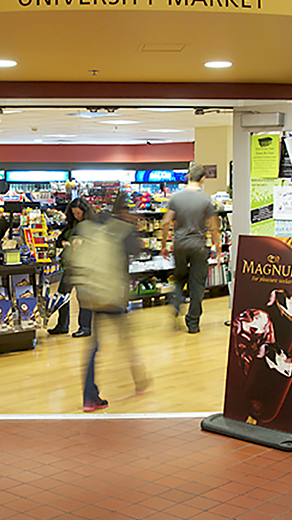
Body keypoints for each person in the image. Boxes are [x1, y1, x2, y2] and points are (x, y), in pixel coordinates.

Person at [71, 192, 152, 411]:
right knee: (127, 339)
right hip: (112, 294)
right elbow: (139, 250)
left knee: (94, 346)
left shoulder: (96, 223)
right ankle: (140, 380)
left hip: (92, 292)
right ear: (126, 210)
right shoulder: (123, 231)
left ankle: (89, 396)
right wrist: (134, 227)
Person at [160, 163, 221, 334]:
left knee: (179, 277)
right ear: (203, 178)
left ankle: (175, 301)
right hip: (198, 246)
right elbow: (214, 227)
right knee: (197, 285)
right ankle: (193, 323)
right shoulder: (206, 199)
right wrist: (218, 248)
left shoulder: (175, 198)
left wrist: (164, 245)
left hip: (179, 245)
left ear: (188, 177)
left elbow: (165, 222)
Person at [47, 197, 96, 338]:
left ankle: (85, 327)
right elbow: (59, 239)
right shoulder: (73, 224)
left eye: (79, 213)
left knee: (84, 297)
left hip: (84, 266)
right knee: (62, 295)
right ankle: (62, 325)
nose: (76, 216)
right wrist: (64, 243)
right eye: (74, 213)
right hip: (70, 265)